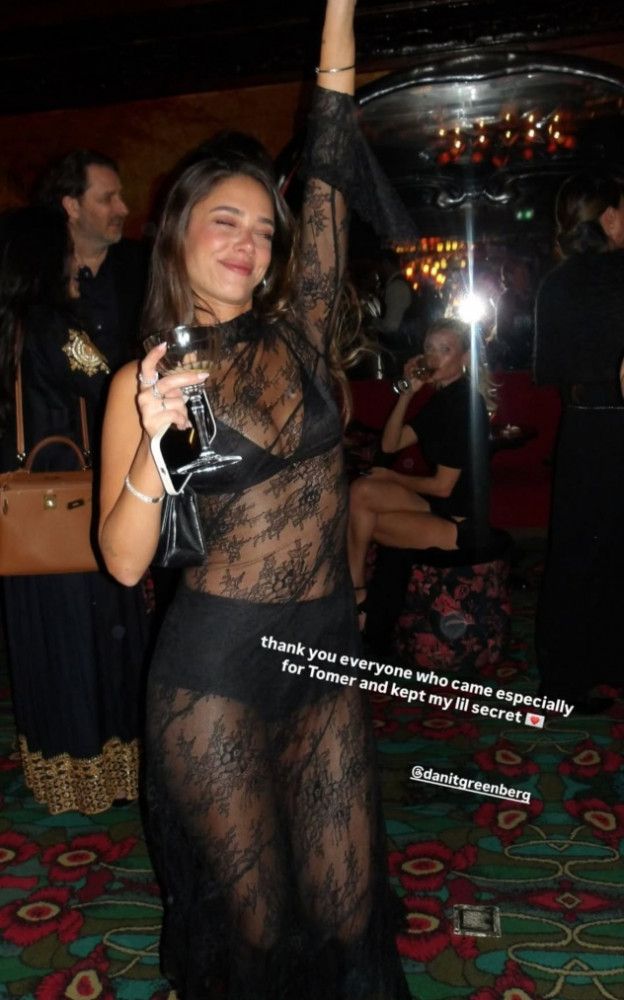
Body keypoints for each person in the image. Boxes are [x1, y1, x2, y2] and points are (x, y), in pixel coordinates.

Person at [98, 1, 409, 997]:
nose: (249, 243)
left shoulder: (302, 333)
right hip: (216, 673)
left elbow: (330, 156)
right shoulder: (154, 379)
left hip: (322, 652)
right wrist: (154, 446)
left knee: (348, 905)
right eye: (224, 221)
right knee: (257, 926)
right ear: (178, 234)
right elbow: (125, 561)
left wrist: (339, 13)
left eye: (264, 230)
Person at [0, 205, 151, 814]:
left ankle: (59, 773)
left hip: (23, 520)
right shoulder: (52, 325)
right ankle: (102, 775)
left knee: (43, 644)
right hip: (72, 511)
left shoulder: (8, 323)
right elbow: (113, 383)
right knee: (91, 643)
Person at [534, 171, 624, 713]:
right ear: (609, 217)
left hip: (582, 429)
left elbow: (551, 370)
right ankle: (608, 661)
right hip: (616, 426)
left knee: (573, 558)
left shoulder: (556, 282)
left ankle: (565, 681)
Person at [347, 317, 492, 625]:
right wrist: (407, 393)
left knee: (364, 520)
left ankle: (361, 602)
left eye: (445, 349)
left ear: (465, 358)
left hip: (462, 523)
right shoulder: (442, 400)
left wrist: (393, 478)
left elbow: (442, 486)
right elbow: (391, 444)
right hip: (438, 507)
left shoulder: (465, 402)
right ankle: (357, 593)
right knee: (362, 491)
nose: (433, 356)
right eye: (429, 348)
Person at [34, 148, 148, 369]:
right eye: (107, 199)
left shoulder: (143, 263)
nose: (123, 209)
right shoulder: (39, 272)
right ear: (72, 207)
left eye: (120, 196)